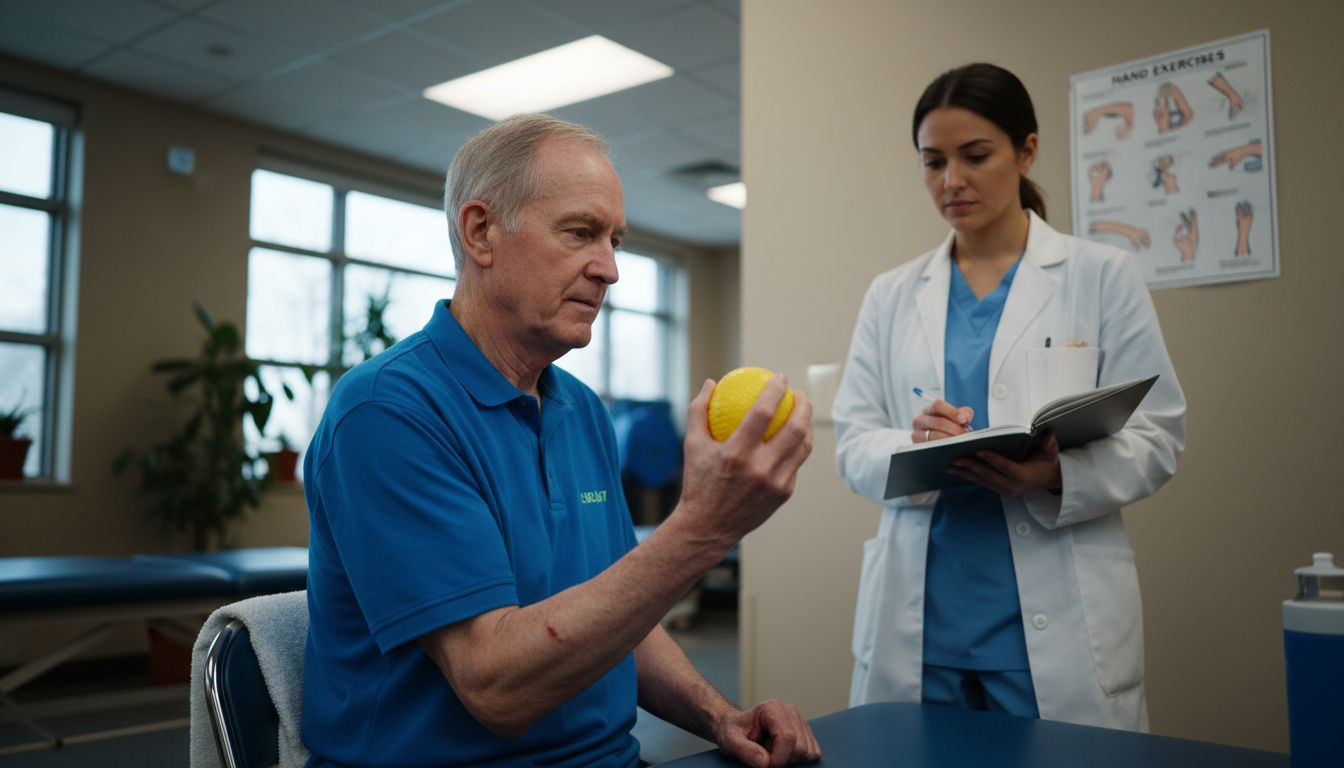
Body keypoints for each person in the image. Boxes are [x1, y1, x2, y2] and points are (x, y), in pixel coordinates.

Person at [300, 114, 821, 767]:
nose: (610, 270)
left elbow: (622, 616)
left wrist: (720, 716)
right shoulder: (387, 412)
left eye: (615, 241)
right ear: (481, 232)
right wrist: (704, 528)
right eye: (580, 233)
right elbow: (496, 689)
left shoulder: (582, 410)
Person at [833, 63, 1185, 731]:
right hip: (923, 622)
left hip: (1057, 620)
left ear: (1026, 151)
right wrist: (915, 442)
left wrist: (1055, 473)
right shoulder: (891, 293)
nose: (951, 181)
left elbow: (1158, 434)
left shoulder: (1101, 275)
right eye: (933, 161)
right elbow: (853, 442)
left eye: (975, 156)